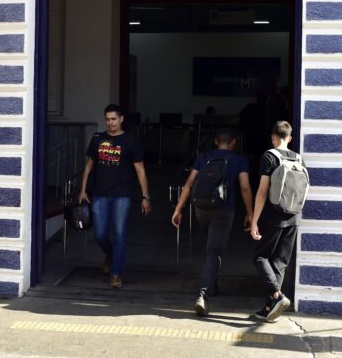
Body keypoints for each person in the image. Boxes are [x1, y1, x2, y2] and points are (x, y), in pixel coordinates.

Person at [171, 127, 253, 317]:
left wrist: (178, 208)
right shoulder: (239, 160)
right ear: (234, 142)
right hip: (224, 209)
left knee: (209, 248)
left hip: (201, 208)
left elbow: (189, 182)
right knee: (214, 252)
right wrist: (250, 213)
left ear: (216, 142)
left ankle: (212, 284)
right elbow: (245, 187)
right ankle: (203, 295)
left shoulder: (203, 157)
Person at [79, 104, 152, 289]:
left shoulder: (130, 141)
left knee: (120, 234)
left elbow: (141, 171)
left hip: (122, 195)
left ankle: (116, 273)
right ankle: (110, 255)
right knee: (99, 234)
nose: (110, 123)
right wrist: (82, 190)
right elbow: (89, 166)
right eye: (107, 119)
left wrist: (145, 196)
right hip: (100, 194)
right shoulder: (98, 139)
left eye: (113, 119)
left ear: (121, 119)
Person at [250, 121, 301, 322]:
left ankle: (277, 296)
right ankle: (269, 308)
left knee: (260, 257)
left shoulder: (269, 156)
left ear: (273, 138)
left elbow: (262, 191)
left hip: (273, 216)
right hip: (294, 217)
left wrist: (254, 221)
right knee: (279, 262)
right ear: (290, 138)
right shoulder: (298, 158)